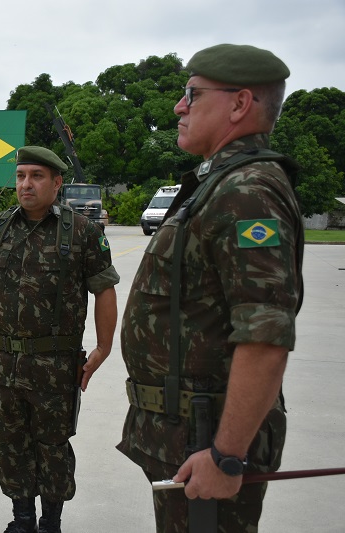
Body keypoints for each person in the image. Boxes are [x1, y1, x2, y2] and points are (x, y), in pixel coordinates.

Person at [117, 44, 305, 532]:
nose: (179, 107)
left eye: (192, 94)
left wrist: (226, 455)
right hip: (187, 434)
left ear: (239, 104)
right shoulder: (219, 183)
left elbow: (264, 335)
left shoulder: (247, 191)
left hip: (207, 438)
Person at [0, 146, 120, 533]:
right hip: (5, 362)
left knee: (53, 447)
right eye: (20, 176)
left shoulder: (82, 231)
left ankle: (51, 522)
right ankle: (22, 519)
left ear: (57, 182)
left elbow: (104, 289)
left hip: (55, 367)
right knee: (10, 445)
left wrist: (103, 346)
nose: (26, 184)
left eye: (36, 176)